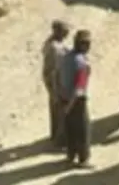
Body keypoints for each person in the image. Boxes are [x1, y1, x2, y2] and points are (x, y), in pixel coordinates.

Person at [61, 29, 93, 167]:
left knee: (70, 129)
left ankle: (70, 155)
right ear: (82, 44)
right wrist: (70, 105)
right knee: (82, 130)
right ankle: (83, 159)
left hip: (65, 97)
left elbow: (57, 76)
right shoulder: (82, 63)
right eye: (87, 43)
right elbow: (79, 87)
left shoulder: (66, 57)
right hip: (77, 101)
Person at [42, 19, 70, 147]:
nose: (67, 32)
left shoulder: (56, 44)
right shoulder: (53, 48)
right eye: (65, 30)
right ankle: (60, 139)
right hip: (56, 83)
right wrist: (53, 89)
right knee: (60, 111)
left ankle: (57, 137)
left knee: (57, 111)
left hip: (59, 82)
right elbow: (50, 69)